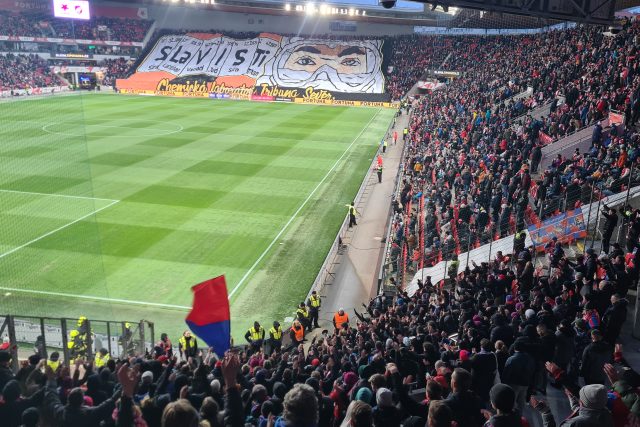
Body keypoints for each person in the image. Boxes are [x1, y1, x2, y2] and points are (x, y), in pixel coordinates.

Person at [531, 383, 613, 427]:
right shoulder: (607, 415)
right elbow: (588, 413)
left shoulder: (574, 424)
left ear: (582, 401)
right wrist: (573, 400)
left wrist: (545, 412)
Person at [502, 340, 535, 412]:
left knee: (512, 401)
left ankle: (512, 416)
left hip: (514, 384)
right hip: (525, 383)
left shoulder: (511, 359)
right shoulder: (530, 358)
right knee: (521, 401)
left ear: (514, 348)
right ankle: (520, 416)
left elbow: (506, 373)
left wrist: (504, 384)